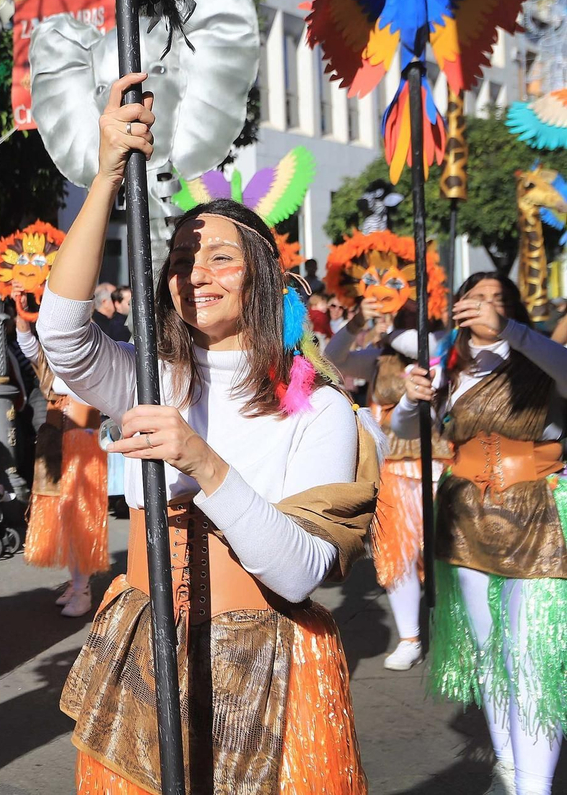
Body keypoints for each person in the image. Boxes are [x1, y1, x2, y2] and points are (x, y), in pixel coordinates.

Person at [38, 72, 373, 794]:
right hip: (144, 657)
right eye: (183, 258)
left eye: (221, 256)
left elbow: (298, 571)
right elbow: (62, 335)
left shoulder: (320, 410)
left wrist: (200, 459)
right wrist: (102, 179)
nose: (197, 271)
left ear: (262, 277)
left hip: (267, 674)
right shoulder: (153, 378)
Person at [399, 273, 567, 795]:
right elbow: (408, 431)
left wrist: (512, 333)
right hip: (463, 516)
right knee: (488, 649)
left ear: (513, 311)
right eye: (477, 299)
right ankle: (510, 771)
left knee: (532, 653)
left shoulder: (541, 358)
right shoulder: (448, 365)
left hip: (538, 516)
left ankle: (535, 788)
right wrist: (410, 401)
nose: (486, 308)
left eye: (499, 300)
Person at [324, 296, 450, 671]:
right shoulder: (379, 360)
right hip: (392, 469)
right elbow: (334, 358)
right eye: (398, 314)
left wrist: (392, 329)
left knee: (445, 556)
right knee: (397, 555)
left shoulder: (441, 352)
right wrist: (358, 321)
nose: (400, 320)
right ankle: (410, 637)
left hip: (438, 468)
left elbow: (426, 350)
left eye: (409, 314)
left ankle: (457, 633)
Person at [13, 298, 108, 618]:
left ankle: (83, 590)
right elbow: (28, 346)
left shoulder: (94, 352)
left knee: (79, 519)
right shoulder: (53, 355)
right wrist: (22, 314)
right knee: (63, 518)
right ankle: (75, 583)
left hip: (83, 443)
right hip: (55, 442)